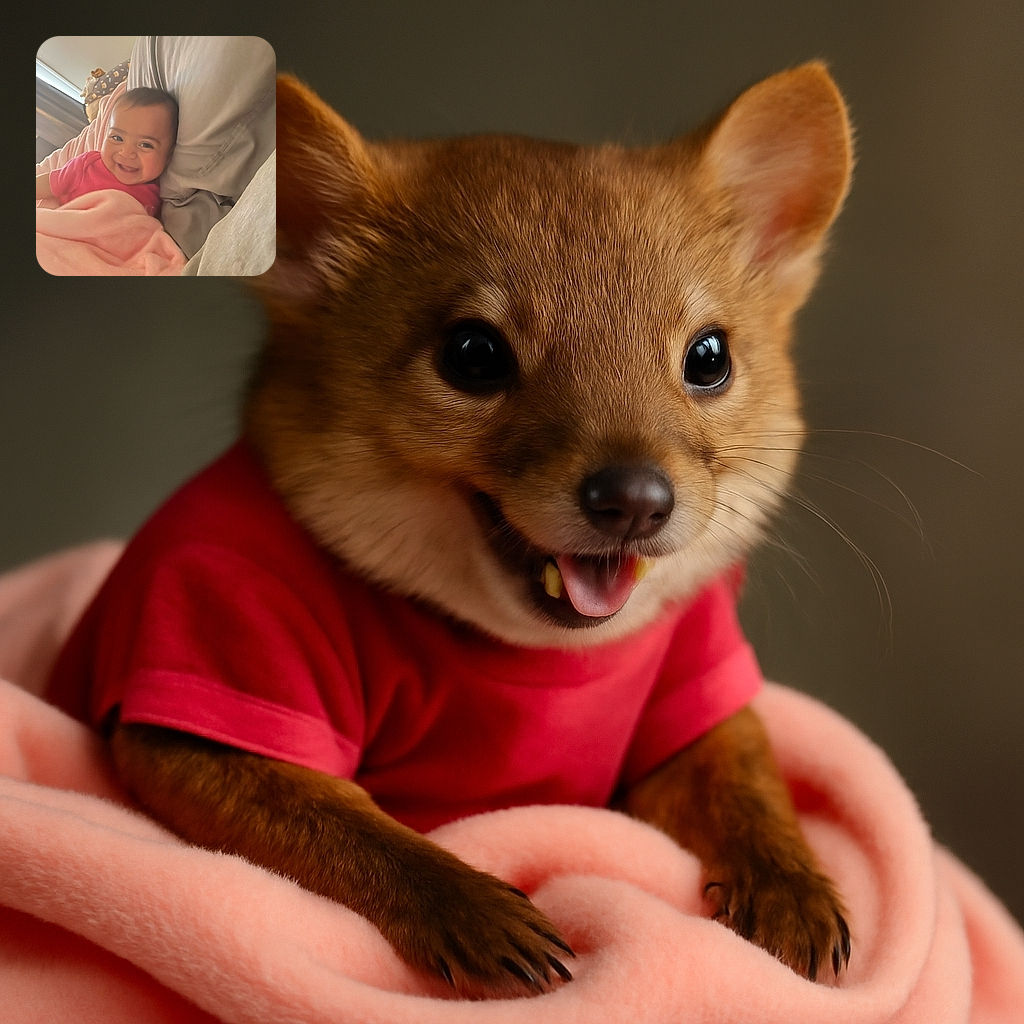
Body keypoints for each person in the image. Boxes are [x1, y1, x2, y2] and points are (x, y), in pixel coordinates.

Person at [35, 87, 178, 218]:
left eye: (145, 145)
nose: (126, 153)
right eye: (117, 138)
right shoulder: (87, 166)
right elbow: (49, 183)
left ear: (168, 156)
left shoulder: (161, 194)